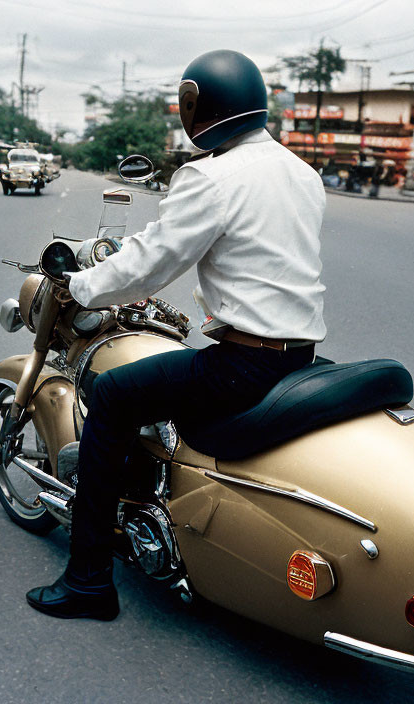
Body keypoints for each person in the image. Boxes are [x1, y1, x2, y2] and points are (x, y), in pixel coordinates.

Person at [25, 50, 327, 621]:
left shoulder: (211, 176)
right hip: (298, 356)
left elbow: (152, 261)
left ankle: (88, 580)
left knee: (113, 395)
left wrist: (80, 285)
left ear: (199, 105)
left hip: (242, 364)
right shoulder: (301, 173)